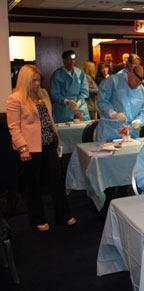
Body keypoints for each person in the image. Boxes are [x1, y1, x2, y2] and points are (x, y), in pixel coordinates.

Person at [6, 65, 76, 231]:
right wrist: (22, 148)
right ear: (25, 81)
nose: (37, 83)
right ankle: (37, 218)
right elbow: (14, 127)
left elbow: (49, 119)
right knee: (33, 184)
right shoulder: (15, 99)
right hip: (30, 147)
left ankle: (63, 215)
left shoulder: (43, 94)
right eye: (33, 81)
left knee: (56, 180)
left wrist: (57, 140)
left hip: (49, 143)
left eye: (38, 80)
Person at [95, 58, 144, 142]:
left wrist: (139, 120)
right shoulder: (113, 81)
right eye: (135, 81)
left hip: (130, 134)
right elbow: (102, 101)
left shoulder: (142, 90)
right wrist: (112, 113)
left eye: (139, 83)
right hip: (109, 131)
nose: (137, 85)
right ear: (130, 73)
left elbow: (143, 110)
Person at [50, 50, 90, 123]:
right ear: (64, 61)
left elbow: (85, 91)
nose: (72, 62)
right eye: (69, 60)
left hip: (80, 108)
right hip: (63, 110)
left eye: (73, 60)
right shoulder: (57, 75)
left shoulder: (80, 73)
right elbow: (55, 94)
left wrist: (79, 102)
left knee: (83, 131)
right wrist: (66, 101)